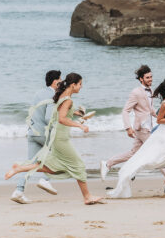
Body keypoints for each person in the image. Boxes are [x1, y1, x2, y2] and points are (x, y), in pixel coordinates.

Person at [5, 73, 103, 205]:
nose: (81, 87)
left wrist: (74, 113)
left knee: (56, 166)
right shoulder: (67, 99)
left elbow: (59, 113)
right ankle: (87, 196)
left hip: (44, 134)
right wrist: (79, 125)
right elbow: (61, 119)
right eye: (80, 84)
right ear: (73, 85)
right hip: (59, 138)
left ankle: (21, 168)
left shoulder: (61, 96)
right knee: (78, 165)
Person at [100, 65, 165, 180]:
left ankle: (108, 164)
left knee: (133, 153)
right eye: (147, 77)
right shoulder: (136, 92)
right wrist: (128, 127)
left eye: (151, 77)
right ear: (141, 79)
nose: (150, 79)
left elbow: (150, 109)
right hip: (142, 128)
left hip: (148, 127)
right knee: (156, 153)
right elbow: (126, 110)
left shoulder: (150, 90)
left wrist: (161, 118)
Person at [10, 70, 61, 204]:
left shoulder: (38, 93)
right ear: (55, 81)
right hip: (44, 134)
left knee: (29, 164)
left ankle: (18, 191)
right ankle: (45, 180)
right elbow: (48, 117)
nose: (61, 83)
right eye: (60, 80)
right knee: (58, 156)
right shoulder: (53, 95)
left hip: (32, 133)